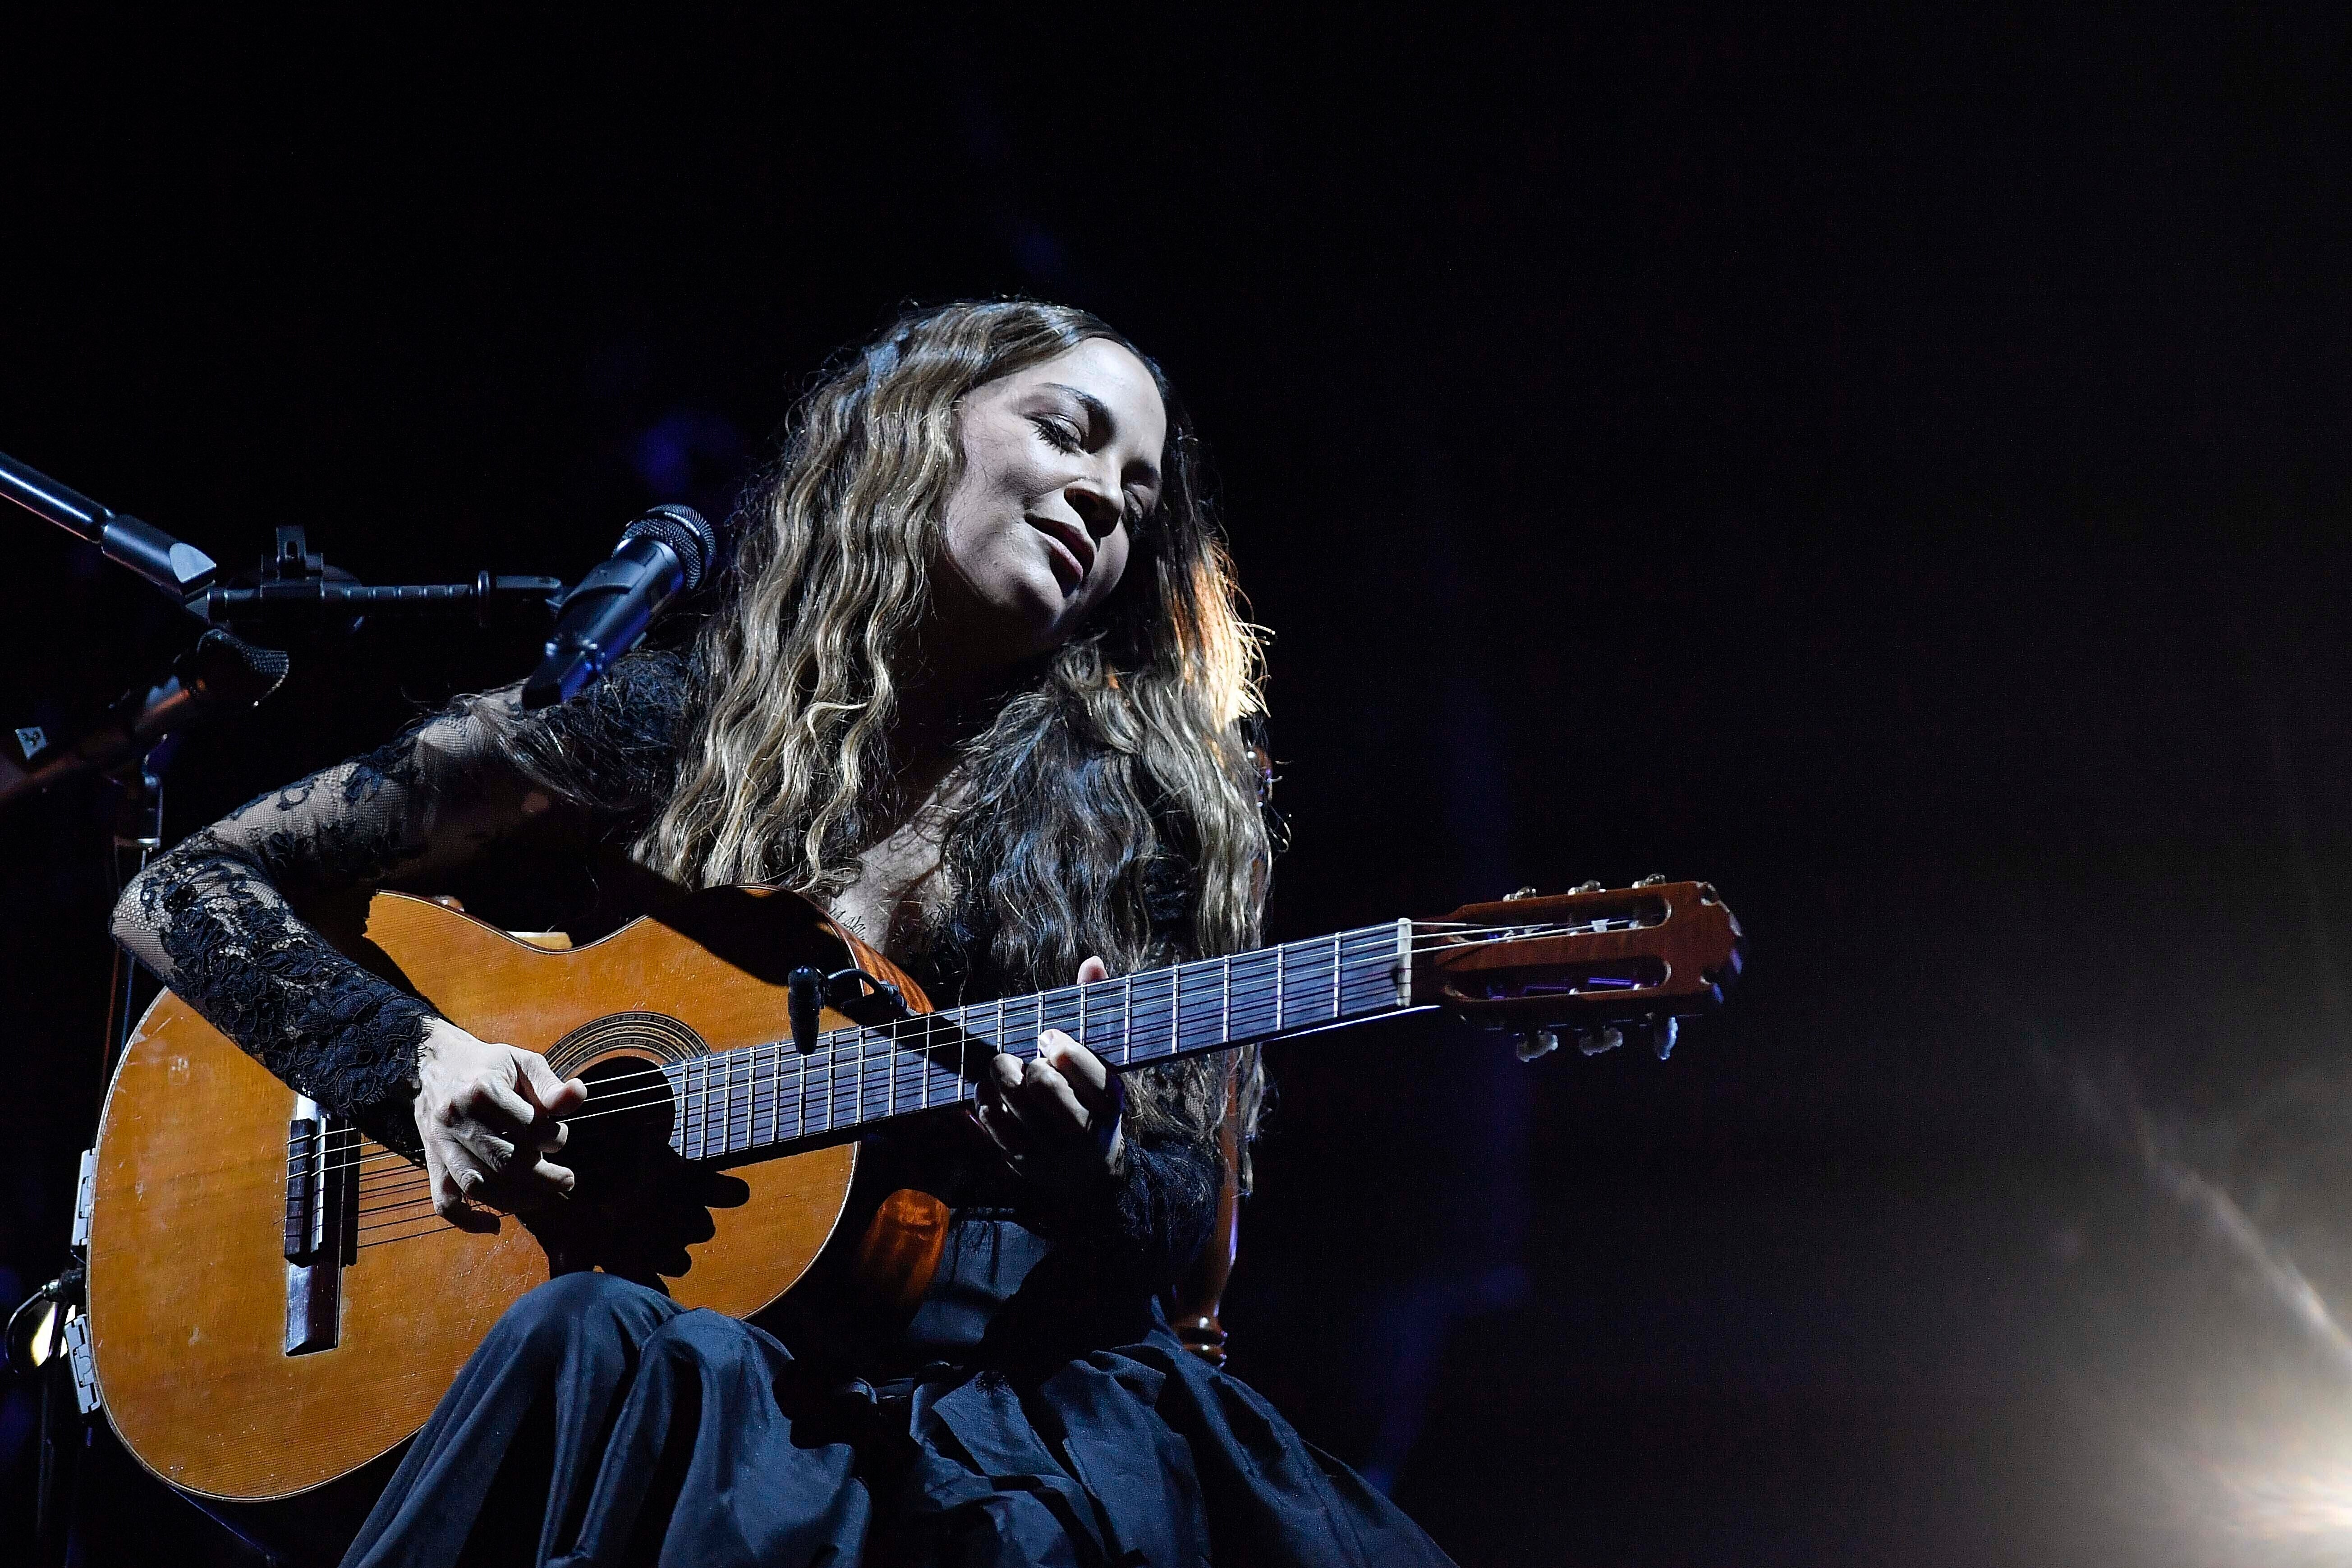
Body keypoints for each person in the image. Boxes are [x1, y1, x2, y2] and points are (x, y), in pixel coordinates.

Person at [111, 300, 1456, 1567]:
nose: (1108, 497)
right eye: (1068, 432)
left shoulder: (1147, 814)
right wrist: (413, 1068)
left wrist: (1092, 1159)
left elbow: (1173, 1216)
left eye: (1140, 495)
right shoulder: (668, 720)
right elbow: (186, 890)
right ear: (921, 427)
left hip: (967, 1417)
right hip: (643, 1360)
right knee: (597, 1340)